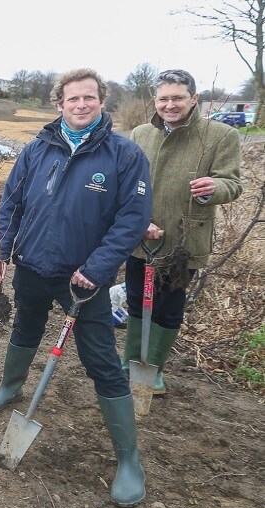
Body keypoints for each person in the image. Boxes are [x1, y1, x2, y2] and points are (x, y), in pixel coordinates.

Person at [0, 68, 152, 508]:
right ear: (59, 104)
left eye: (88, 98)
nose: (80, 105)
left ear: (101, 102)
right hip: (34, 266)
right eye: (72, 99)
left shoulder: (124, 156)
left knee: (102, 361)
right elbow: (12, 203)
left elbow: (131, 221)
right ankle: (10, 386)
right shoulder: (37, 150)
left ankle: (129, 458)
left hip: (84, 280)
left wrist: (95, 269)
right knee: (26, 328)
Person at [126, 69, 242, 395]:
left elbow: (232, 183)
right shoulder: (140, 134)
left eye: (178, 98)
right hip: (141, 236)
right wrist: (134, 221)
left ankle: (153, 371)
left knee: (167, 307)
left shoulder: (220, 136)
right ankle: (131, 362)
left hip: (182, 242)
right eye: (164, 98)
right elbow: (126, 183)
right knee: (136, 300)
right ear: (155, 100)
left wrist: (214, 187)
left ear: (194, 99)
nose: (170, 105)